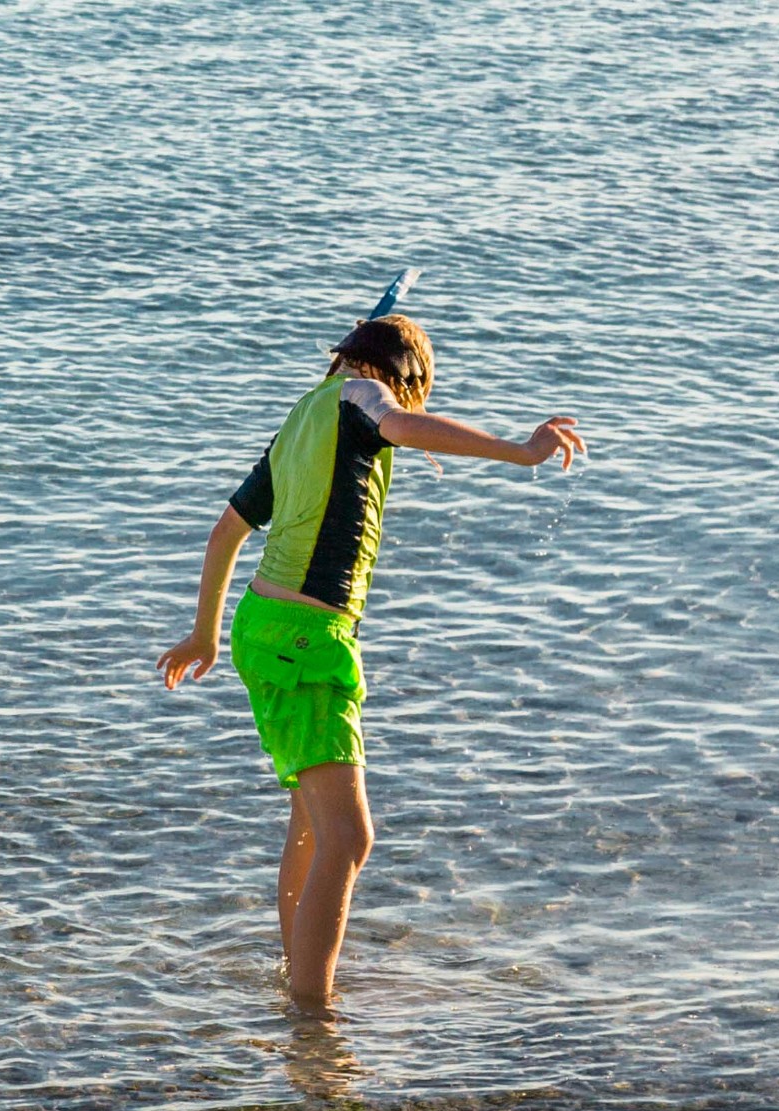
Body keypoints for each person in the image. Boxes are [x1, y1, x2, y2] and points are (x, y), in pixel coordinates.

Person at [155, 314, 583, 1019]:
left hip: (264, 628)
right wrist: (523, 451)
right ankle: (313, 1019)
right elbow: (401, 425)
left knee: (311, 828)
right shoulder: (361, 397)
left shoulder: (301, 422)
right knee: (350, 837)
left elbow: (227, 529)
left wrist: (203, 635)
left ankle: (297, 983)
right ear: (402, 376)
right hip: (304, 637)